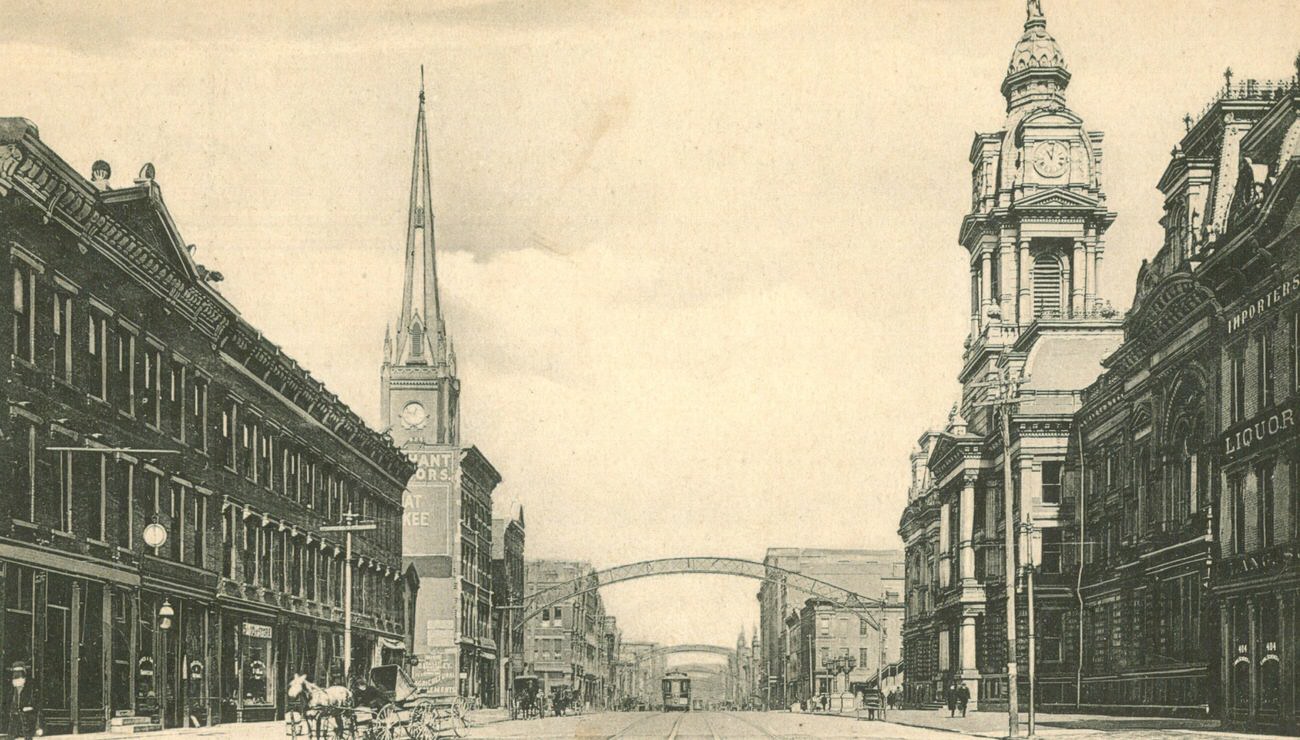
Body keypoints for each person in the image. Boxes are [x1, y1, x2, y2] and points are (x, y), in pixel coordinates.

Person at [8, 662, 35, 740]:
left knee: (27, 731)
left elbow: (34, 700)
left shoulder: (30, 686)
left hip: (26, 712)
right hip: (15, 711)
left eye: (19, 674)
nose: (16, 676)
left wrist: (28, 706)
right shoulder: (13, 688)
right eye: (15, 674)